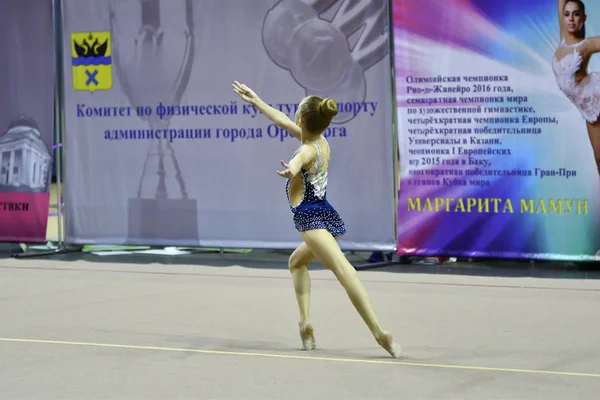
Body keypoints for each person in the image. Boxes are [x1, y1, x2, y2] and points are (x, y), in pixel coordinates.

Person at [232, 81, 401, 358]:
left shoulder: (306, 150)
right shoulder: (320, 141)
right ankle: (305, 323)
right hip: (324, 212)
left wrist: (292, 170)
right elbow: (280, 118)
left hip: (311, 218)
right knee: (296, 262)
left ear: (301, 121)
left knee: (344, 270)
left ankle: (380, 334)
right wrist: (257, 100)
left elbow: (299, 159)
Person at [553, 0, 600, 175]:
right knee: (599, 158)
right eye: (567, 14)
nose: (571, 19)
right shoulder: (564, 39)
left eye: (576, 14)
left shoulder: (586, 45)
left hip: (597, 96)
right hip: (588, 108)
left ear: (583, 18)